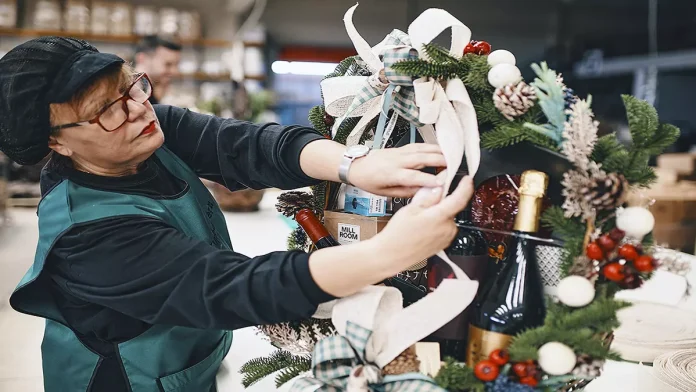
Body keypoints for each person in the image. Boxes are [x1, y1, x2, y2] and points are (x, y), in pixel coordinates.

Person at [0, 37, 474, 392]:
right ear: (55, 141)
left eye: (131, 88)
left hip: (183, 361)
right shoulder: (88, 236)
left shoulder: (146, 126)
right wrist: (389, 253)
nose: (138, 111)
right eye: (106, 110)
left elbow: (245, 146)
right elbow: (229, 286)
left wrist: (355, 166)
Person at [133, 35, 182, 104]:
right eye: (168, 64)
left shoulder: (151, 93)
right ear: (142, 59)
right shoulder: (130, 95)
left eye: (176, 65)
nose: (175, 72)